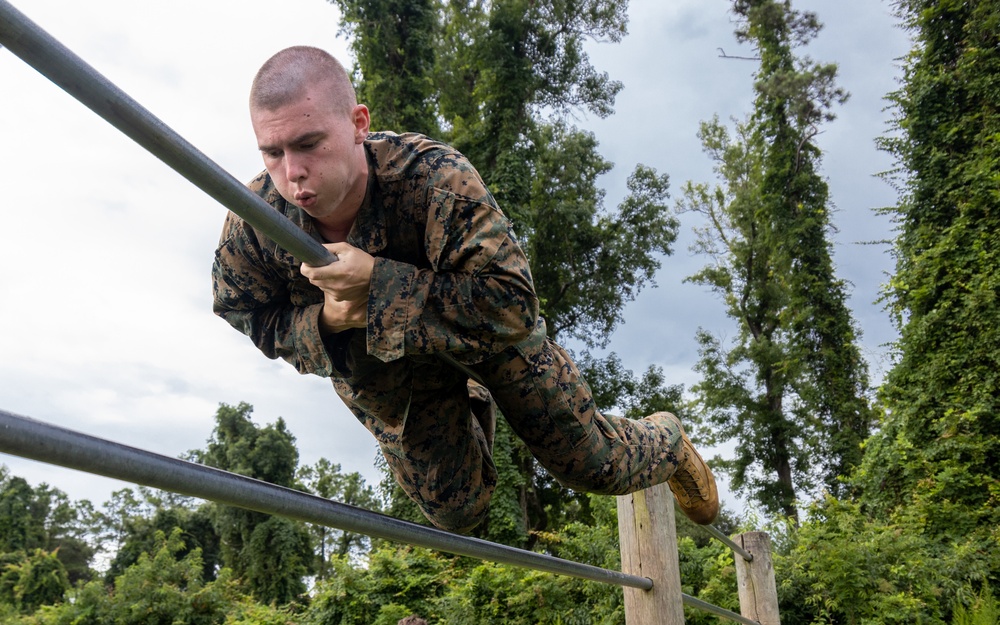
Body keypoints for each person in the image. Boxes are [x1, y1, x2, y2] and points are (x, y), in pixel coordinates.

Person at [212, 45, 719, 533]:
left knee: (591, 465)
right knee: (459, 511)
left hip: (487, 332)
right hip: (384, 364)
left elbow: (513, 305)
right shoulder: (254, 222)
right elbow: (242, 311)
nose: (292, 172)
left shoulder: (435, 178)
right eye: (272, 152)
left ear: (357, 123)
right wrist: (325, 322)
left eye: (308, 144)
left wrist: (378, 283)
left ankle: (669, 442)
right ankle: (465, 393)